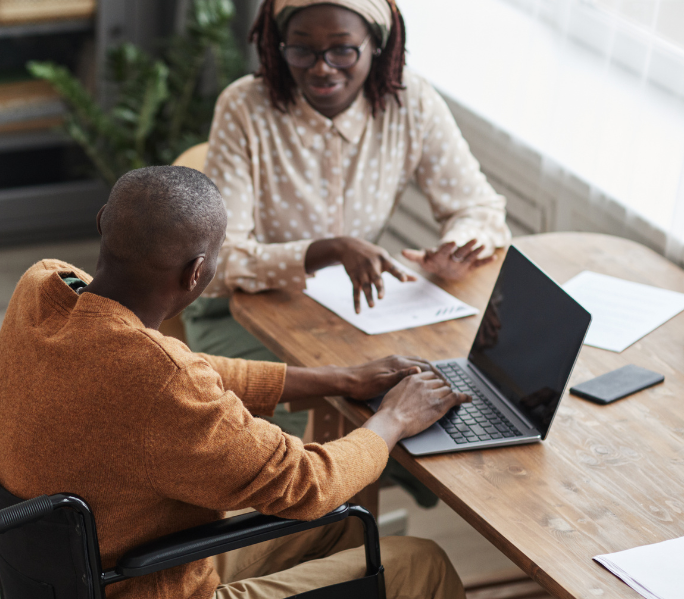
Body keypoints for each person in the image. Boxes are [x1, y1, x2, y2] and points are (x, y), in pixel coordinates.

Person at [0, 165, 475, 599]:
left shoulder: (44, 286)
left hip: (78, 586)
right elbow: (307, 482)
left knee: (341, 527)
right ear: (197, 271)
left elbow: (173, 367)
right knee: (420, 569)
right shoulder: (159, 381)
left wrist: (339, 379)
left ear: (102, 224)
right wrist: (395, 418)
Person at [185, 0, 511, 501]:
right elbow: (221, 262)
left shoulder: (411, 102)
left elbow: (479, 207)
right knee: (364, 409)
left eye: (342, 50)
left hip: (355, 314)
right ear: (278, 47)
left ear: (376, 47)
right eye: (302, 50)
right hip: (238, 312)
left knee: (428, 390)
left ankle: (357, 537)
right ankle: (336, 543)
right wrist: (326, 250)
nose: (321, 67)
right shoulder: (244, 107)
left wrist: (458, 245)